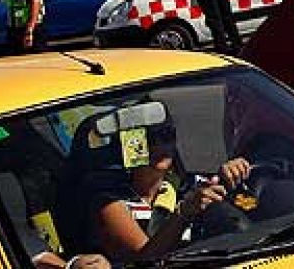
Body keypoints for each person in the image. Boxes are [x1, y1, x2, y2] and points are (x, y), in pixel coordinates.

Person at [55, 102, 249, 264]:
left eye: (166, 135)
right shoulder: (108, 201)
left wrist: (232, 175)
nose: (159, 145)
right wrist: (183, 214)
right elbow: (146, 260)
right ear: (126, 146)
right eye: (146, 138)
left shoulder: (188, 185)